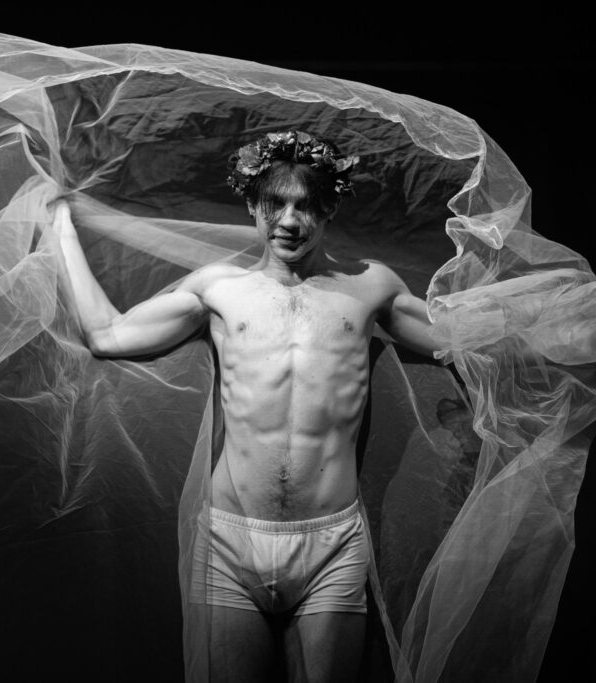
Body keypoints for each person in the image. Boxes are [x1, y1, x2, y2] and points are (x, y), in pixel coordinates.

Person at [54, 130, 443, 682]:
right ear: (252, 206)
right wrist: (60, 226)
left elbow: (463, 339)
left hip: (331, 544)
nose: (289, 221)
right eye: (275, 204)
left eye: (306, 206)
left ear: (330, 208)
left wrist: (553, 326)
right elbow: (106, 335)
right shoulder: (219, 290)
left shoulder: (369, 287)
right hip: (228, 542)